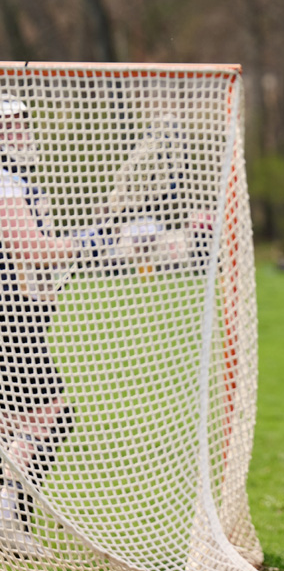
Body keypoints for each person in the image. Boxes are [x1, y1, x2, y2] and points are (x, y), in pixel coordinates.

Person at [0, 95, 113, 557]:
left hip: (19, 315)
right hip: (11, 326)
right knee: (53, 415)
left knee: (16, 424)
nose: (20, 130)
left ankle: (12, 517)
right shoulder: (5, 183)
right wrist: (85, 242)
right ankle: (9, 511)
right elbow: (32, 250)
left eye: (22, 121)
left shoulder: (19, 182)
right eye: (10, 124)